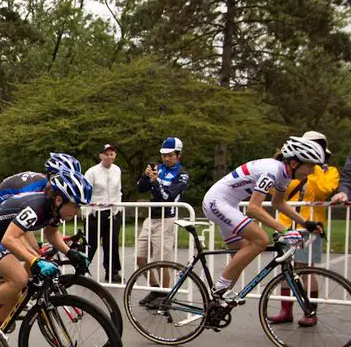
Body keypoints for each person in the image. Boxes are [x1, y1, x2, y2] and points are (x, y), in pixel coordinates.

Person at [201, 135, 327, 307]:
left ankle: (216, 304)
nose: (312, 171)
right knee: (261, 240)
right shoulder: (271, 170)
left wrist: (305, 223)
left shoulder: (284, 174)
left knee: (243, 249)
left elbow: (278, 202)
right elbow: (254, 208)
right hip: (217, 203)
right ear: (294, 163)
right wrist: (284, 229)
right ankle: (219, 290)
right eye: (310, 166)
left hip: (228, 204)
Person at [0, 171, 92, 326]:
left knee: (15, 295)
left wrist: (70, 253)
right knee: (19, 278)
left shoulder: (54, 211)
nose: (77, 212)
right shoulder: (37, 207)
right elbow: (9, 239)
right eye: (75, 206)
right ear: (58, 200)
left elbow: (51, 234)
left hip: (4, 236)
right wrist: (35, 260)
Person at [267, 131, 340, 326]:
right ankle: (285, 310)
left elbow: (324, 191)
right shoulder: (288, 170)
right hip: (285, 224)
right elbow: (275, 190)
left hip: (308, 226)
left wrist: (314, 169)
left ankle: (310, 311)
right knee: (286, 269)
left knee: (305, 270)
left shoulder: (328, 172)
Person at [135, 138, 191, 306]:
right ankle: (155, 289)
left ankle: (165, 296)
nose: (166, 158)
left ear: (178, 154)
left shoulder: (182, 175)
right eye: (163, 155)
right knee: (140, 258)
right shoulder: (158, 169)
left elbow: (167, 196)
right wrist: (146, 176)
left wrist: (155, 182)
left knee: (161, 262)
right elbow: (140, 188)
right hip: (151, 218)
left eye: (170, 155)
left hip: (167, 219)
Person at [0, 153, 82, 226]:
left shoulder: (49, 191)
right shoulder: (34, 185)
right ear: (53, 175)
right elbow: (21, 223)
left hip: (3, 213)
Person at [84, 144, 123, 282]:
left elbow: (118, 190)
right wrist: (87, 210)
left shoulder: (117, 170)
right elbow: (85, 192)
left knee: (112, 242)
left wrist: (118, 206)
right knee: (91, 243)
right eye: (106, 154)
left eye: (111, 154)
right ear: (100, 156)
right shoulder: (92, 172)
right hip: (95, 212)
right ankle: (81, 268)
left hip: (113, 211)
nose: (109, 157)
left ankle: (112, 271)